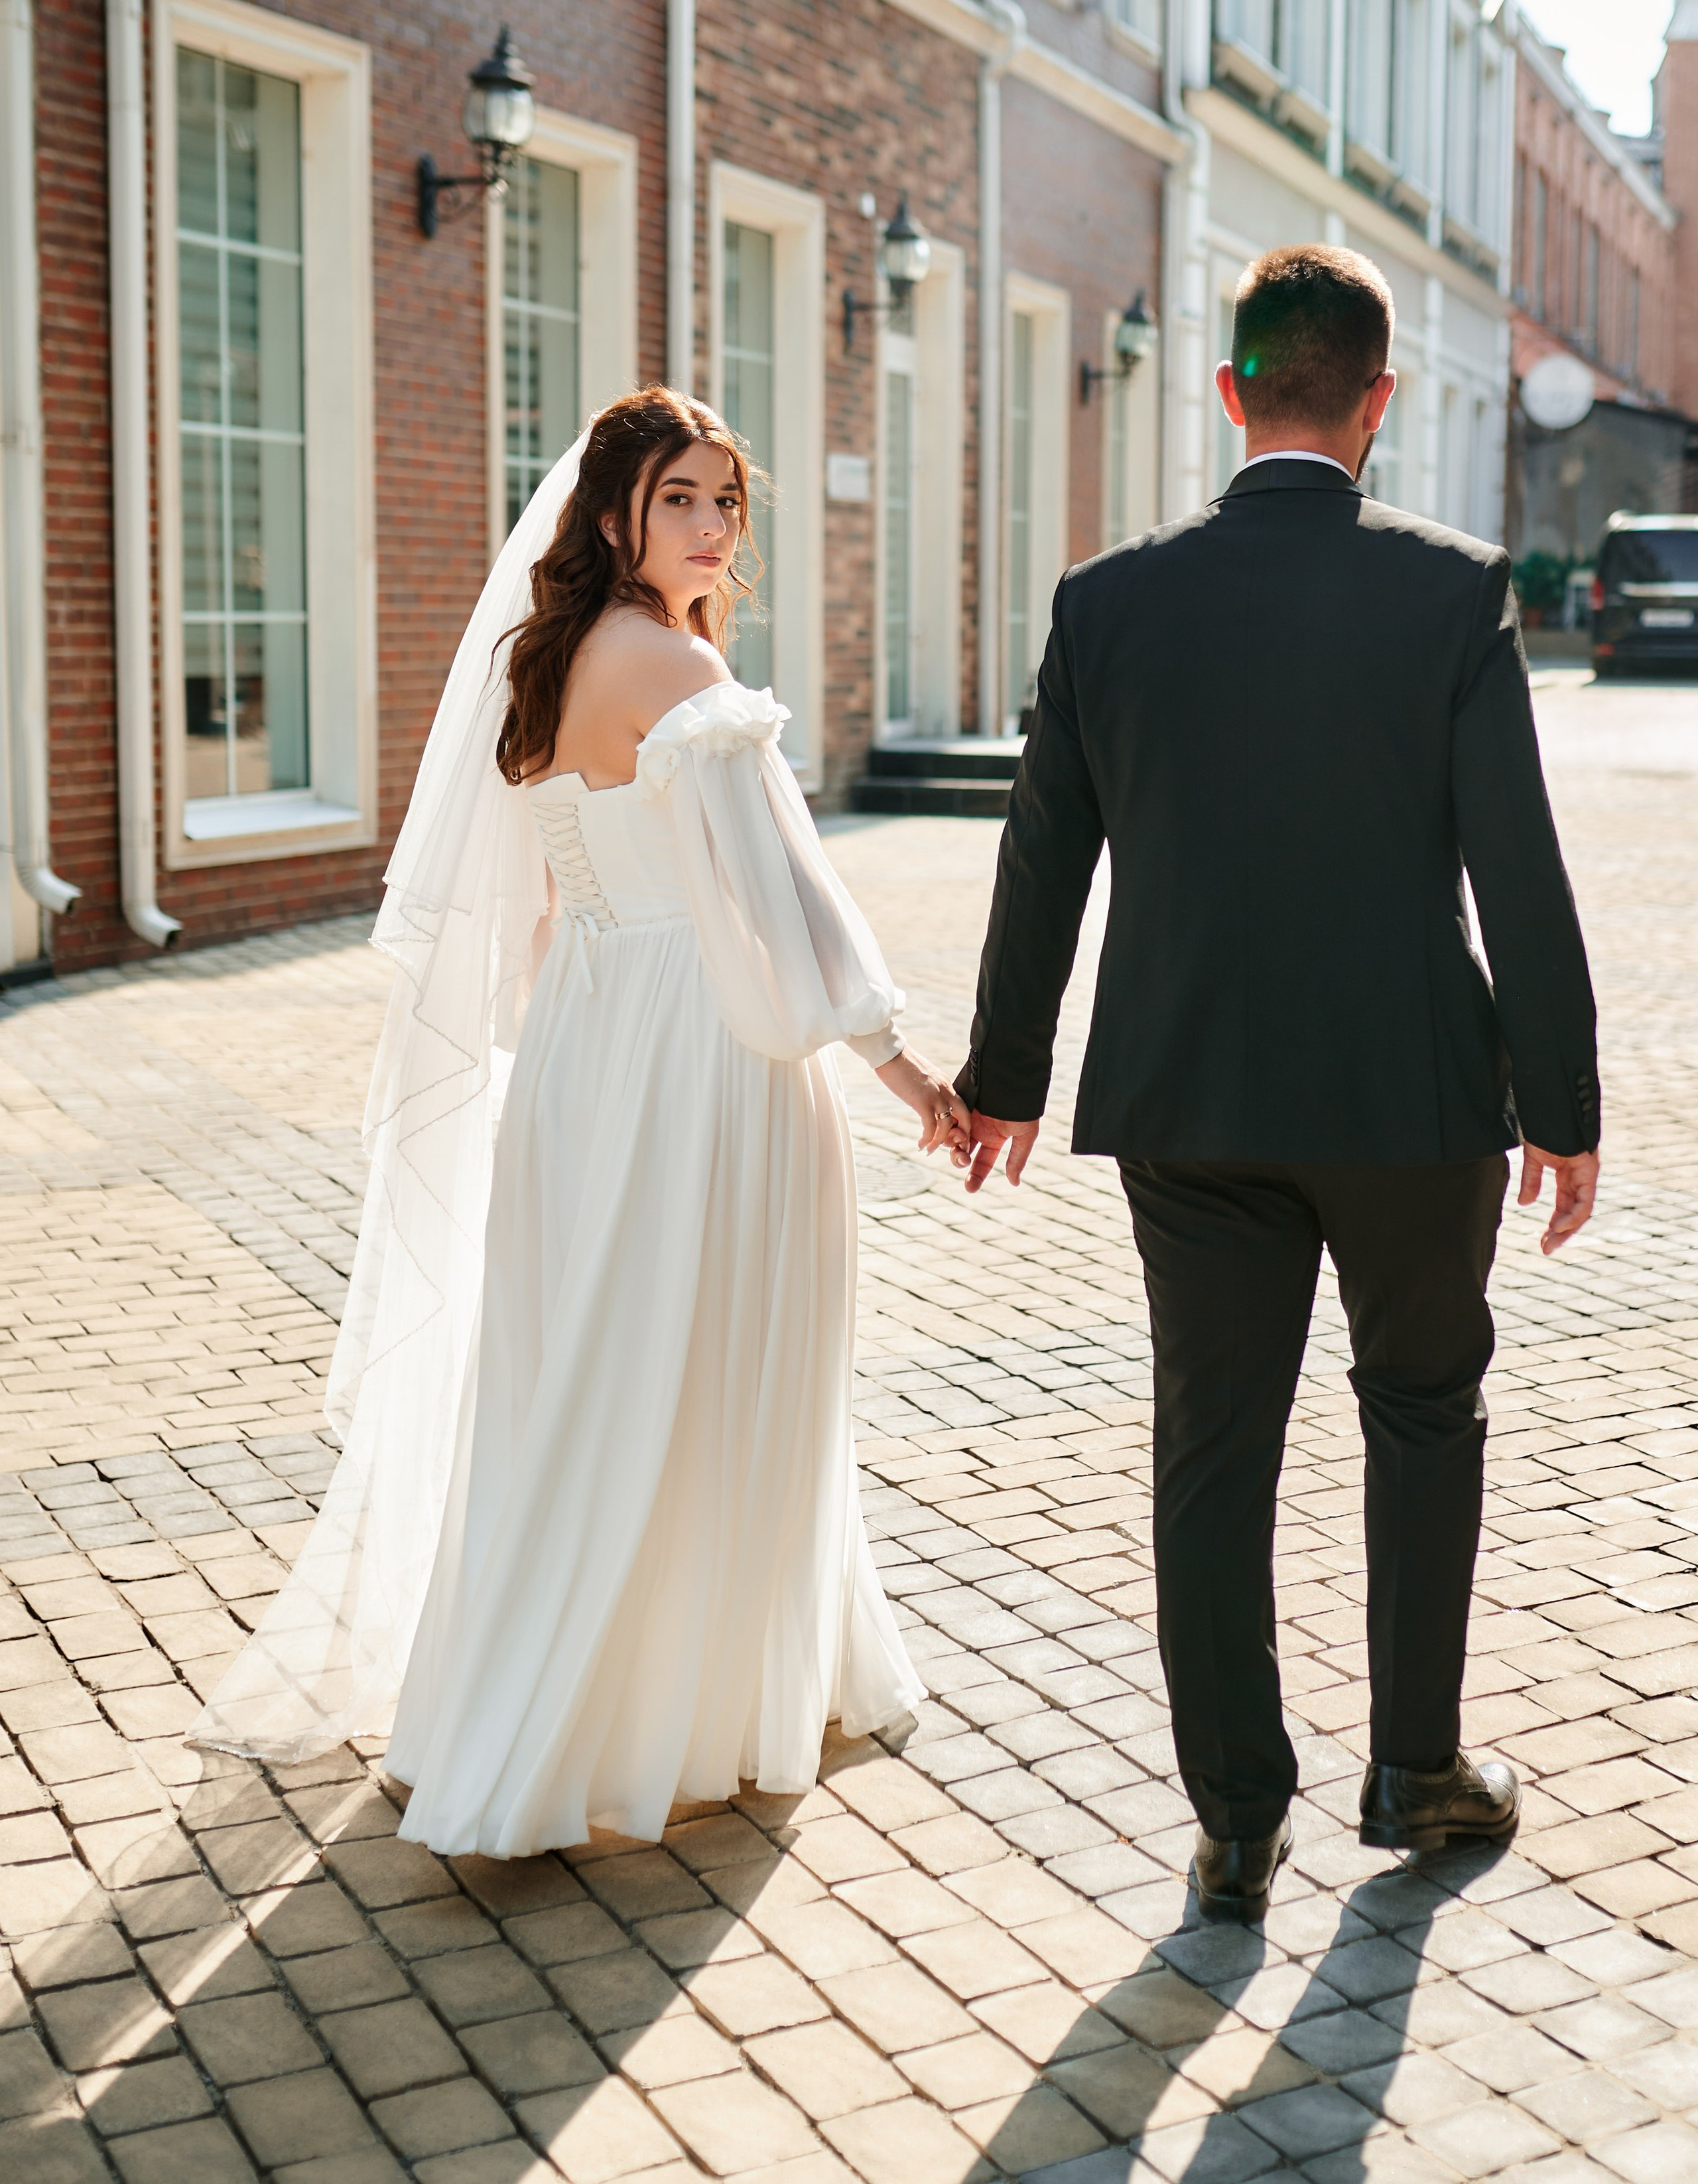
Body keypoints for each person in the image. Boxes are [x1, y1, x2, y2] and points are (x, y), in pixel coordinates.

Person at [194, 387, 967, 1856]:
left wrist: (585, 1045)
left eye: (724, 500)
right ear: (612, 511)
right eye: (680, 496)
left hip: (589, 1047)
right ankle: (669, 1709)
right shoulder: (675, 669)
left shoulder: (547, 664)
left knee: (590, 1373)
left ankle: (553, 1694)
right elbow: (789, 903)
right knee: (704, 1362)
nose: (710, 524)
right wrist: (904, 1073)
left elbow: (553, 905)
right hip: (697, 1059)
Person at [954, 245, 1600, 1924]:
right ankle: (1415, 1770)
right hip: (1414, 1101)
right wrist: (1564, 1103)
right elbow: (1515, 869)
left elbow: (1041, 862)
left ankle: (1235, 1820)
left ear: (1228, 392)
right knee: (1421, 1415)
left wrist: (1004, 1073)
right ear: (1376, 403)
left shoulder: (1106, 601)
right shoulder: (1452, 591)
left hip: (1190, 1096)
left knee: (1210, 1446)